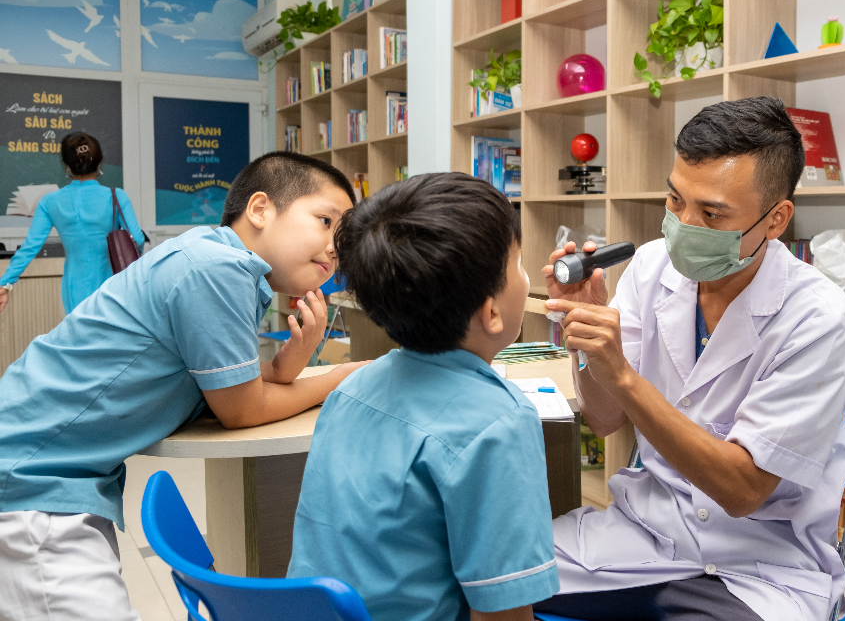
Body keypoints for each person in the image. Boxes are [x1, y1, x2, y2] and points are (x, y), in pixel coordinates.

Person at [0, 152, 367, 621]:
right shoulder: (216, 269)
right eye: (325, 221)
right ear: (260, 209)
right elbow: (242, 409)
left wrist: (291, 360)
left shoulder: (213, 256)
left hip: (47, 471)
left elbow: (228, 383)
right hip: (33, 483)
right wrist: (342, 376)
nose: (335, 247)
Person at [534, 97, 845, 621]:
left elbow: (742, 491)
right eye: (675, 200)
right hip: (644, 533)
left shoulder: (818, 318)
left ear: (775, 219)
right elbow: (605, 417)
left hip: (758, 563)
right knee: (491, 574)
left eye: (711, 213)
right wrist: (587, 337)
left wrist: (625, 376)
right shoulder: (650, 267)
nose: (683, 224)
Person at [288, 173, 559, 621]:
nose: (528, 279)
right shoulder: (499, 423)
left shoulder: (351, 389)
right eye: (519, 265)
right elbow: (503, 614)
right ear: (491, 311)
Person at [0, 132, 146, 315]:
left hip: (73, 289)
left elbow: (30, 247)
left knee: (79, 331)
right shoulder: (116, 196)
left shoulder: (49, 202)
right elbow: (138, 239)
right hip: (113, 286)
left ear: (66, 165)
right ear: (99, 162)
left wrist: (5, 283)